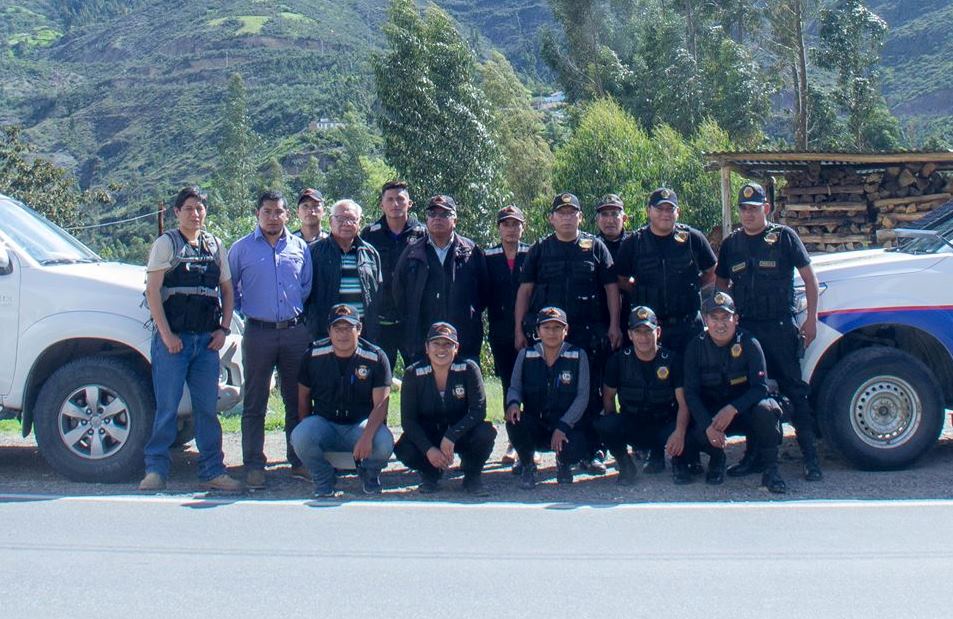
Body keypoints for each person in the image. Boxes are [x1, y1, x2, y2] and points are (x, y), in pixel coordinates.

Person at [715, 182, 823, 482]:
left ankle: (810, 458)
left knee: (794, 391)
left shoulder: (784, 237)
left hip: (779, 328)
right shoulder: (732, 244)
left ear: (766, 208)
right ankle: (754, 456)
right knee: (748, 392)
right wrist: (727, 319)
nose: (748, 214)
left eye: (754, 208)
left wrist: (810, 320)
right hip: (747, 330)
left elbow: (809, 280)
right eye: (743, 209)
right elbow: (721, 285)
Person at [139, 186, 242, 492]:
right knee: (167, 408)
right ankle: (156, 470)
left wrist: (223, 329)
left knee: (207, 410)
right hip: (175, 342)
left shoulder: (214, 245)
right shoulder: (166, 244)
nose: (195, 214)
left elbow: (227, 290)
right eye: (188, 208)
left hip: (205, 343)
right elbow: (152, 291)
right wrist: (167, 335)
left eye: (199, 208)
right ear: (176, 212)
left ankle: (212, 470)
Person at [514, 192, 622, 475]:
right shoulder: (540, 249)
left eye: (571, 212)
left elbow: (611, 289)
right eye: (560, 213)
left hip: (589, 334)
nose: (566, 217)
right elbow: (525, 291)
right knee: (550, 393)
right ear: (551, 218)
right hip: (549, 336)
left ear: (580, 217)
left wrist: (614, 325)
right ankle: (539, 449)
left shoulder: (595, 247)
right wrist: (518, 329)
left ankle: (593, 451)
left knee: (592, 395)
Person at [228, 190, 313, 489]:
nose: (273, 217)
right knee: (255, 400)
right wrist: (251, 312)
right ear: (257, 214)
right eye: (267, 211)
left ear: (287, 215)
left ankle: (298, 460)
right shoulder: (240, 249)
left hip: (293, 333)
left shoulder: (300, 247)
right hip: (258, 333)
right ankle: (253, 464)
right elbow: (231, 290)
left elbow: (305, 287)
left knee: (297, 398)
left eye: (278, 211)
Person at [683, 290, 787, 494]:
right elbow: (691, 393)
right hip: (713, 416)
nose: (720, 324)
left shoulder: (749, 343)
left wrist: (732, 409)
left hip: (743, 413)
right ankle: (716, 458)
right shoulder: (696, 347)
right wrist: (707, 426)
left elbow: (761, 387)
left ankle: (771, 470)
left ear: (736, 319)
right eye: (714, 318)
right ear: (706, 319)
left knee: (766, 410)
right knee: (692, 432)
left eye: (726, 317)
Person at [291, 304, 394, 497]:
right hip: (325, 423)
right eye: (338, 329)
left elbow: (381, 405)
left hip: (360, 425)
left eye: (349, 328)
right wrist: (309, 428)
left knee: (384, 441)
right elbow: (303, 397)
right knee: (300, 436)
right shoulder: (313, 355)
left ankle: (370, 475)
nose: (343, 334)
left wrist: (366, 437)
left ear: (359, 329)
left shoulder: (375, 357)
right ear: (329, 331)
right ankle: (323, 478)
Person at [394, 322, 497, 496]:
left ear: (456, 348)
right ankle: (430, 474)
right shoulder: (413, 373)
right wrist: (429, 449)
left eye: (447, 344)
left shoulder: (469, 369)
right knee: (404, 448)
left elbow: (479, 410)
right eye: (436, 344)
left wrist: (452, 435)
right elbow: (408, 421)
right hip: (431, 435)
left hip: (461, 434)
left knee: (486, 433)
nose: (441, 349)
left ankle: (472, 476)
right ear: (427, 347)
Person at [615, 188, 716, 356]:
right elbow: (621, 279)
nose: (665, 214)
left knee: (691, 378)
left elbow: (712, 270)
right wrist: (643, 291)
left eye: (670, 209)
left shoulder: (692, 238)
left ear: (678, 212)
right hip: (649, 329)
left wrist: (692, 287)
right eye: (660, 209)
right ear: (649, 211)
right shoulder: (634, 242)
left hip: (688, 325)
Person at [596, 306, 690, 486]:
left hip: (664, 425)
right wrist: (616, 426)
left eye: (648, 331)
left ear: (658, 332)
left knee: (689, 428)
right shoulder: (618, 361)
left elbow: (683, 404)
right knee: (605, 425)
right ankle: (625, 464)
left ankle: (679, 462)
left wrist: (679, 433)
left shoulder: (672, 360)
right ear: (630, 335)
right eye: (638, 332)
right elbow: (608, 398)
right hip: (634, 423)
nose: (644, 337)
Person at [392, 194, 488, 362]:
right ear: (426, 219)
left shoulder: (471, 251)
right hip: (421, 342)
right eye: (432, 214)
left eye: (444, 214)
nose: (437, 218)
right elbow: (399, 293)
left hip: (463, 341)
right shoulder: (412, 252)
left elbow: (485, 294)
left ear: (455, 220)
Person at [505, 307, 589, 489]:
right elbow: (514, 387)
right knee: (514, 422)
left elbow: (582, 396)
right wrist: (513, 403)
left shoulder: (578, 356)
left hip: (566, 426)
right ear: (537, 331)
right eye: (547, 327)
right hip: (537, 425)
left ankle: (564, 462)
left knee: (580, 443)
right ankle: (528, 464)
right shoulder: (526, 355)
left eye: (557, 328)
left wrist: (563, 426)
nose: (552, 332)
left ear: (566, 331)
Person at [360, 180, 426, 372]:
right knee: (377, 377)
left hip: (412, 320)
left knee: (419, 374)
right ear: (382, 204)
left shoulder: (423, 233)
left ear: (410, 203)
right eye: (390, 199)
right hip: (381, 320)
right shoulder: (370, 234)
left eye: (400, 199)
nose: (395, 204)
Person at [484, 205, 529, 468]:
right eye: (506, 224)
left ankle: (528, 442)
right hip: (500, 332)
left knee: (531, 387)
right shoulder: (487, 256)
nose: (511, 229)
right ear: (499, 227)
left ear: (523, 227)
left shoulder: (532, 253)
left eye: (516, 224)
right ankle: (513, 440)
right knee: (508, 387)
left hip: (530, 333)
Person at [305, 199, 382, 341]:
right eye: (340, 219)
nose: (346, 224)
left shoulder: (370, 253)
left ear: (360, 222)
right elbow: (306, 294)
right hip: (326, 330)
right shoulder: (314, 252)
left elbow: (377, 291)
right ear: (330, 221)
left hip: (363, 330)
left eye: (352, 219)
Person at [594, 193, 631, 260]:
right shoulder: (592, 248)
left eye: (614, 214)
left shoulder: (634, 244)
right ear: (597, 220)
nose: (610, 220)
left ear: (624, 218)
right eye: (604, 214)